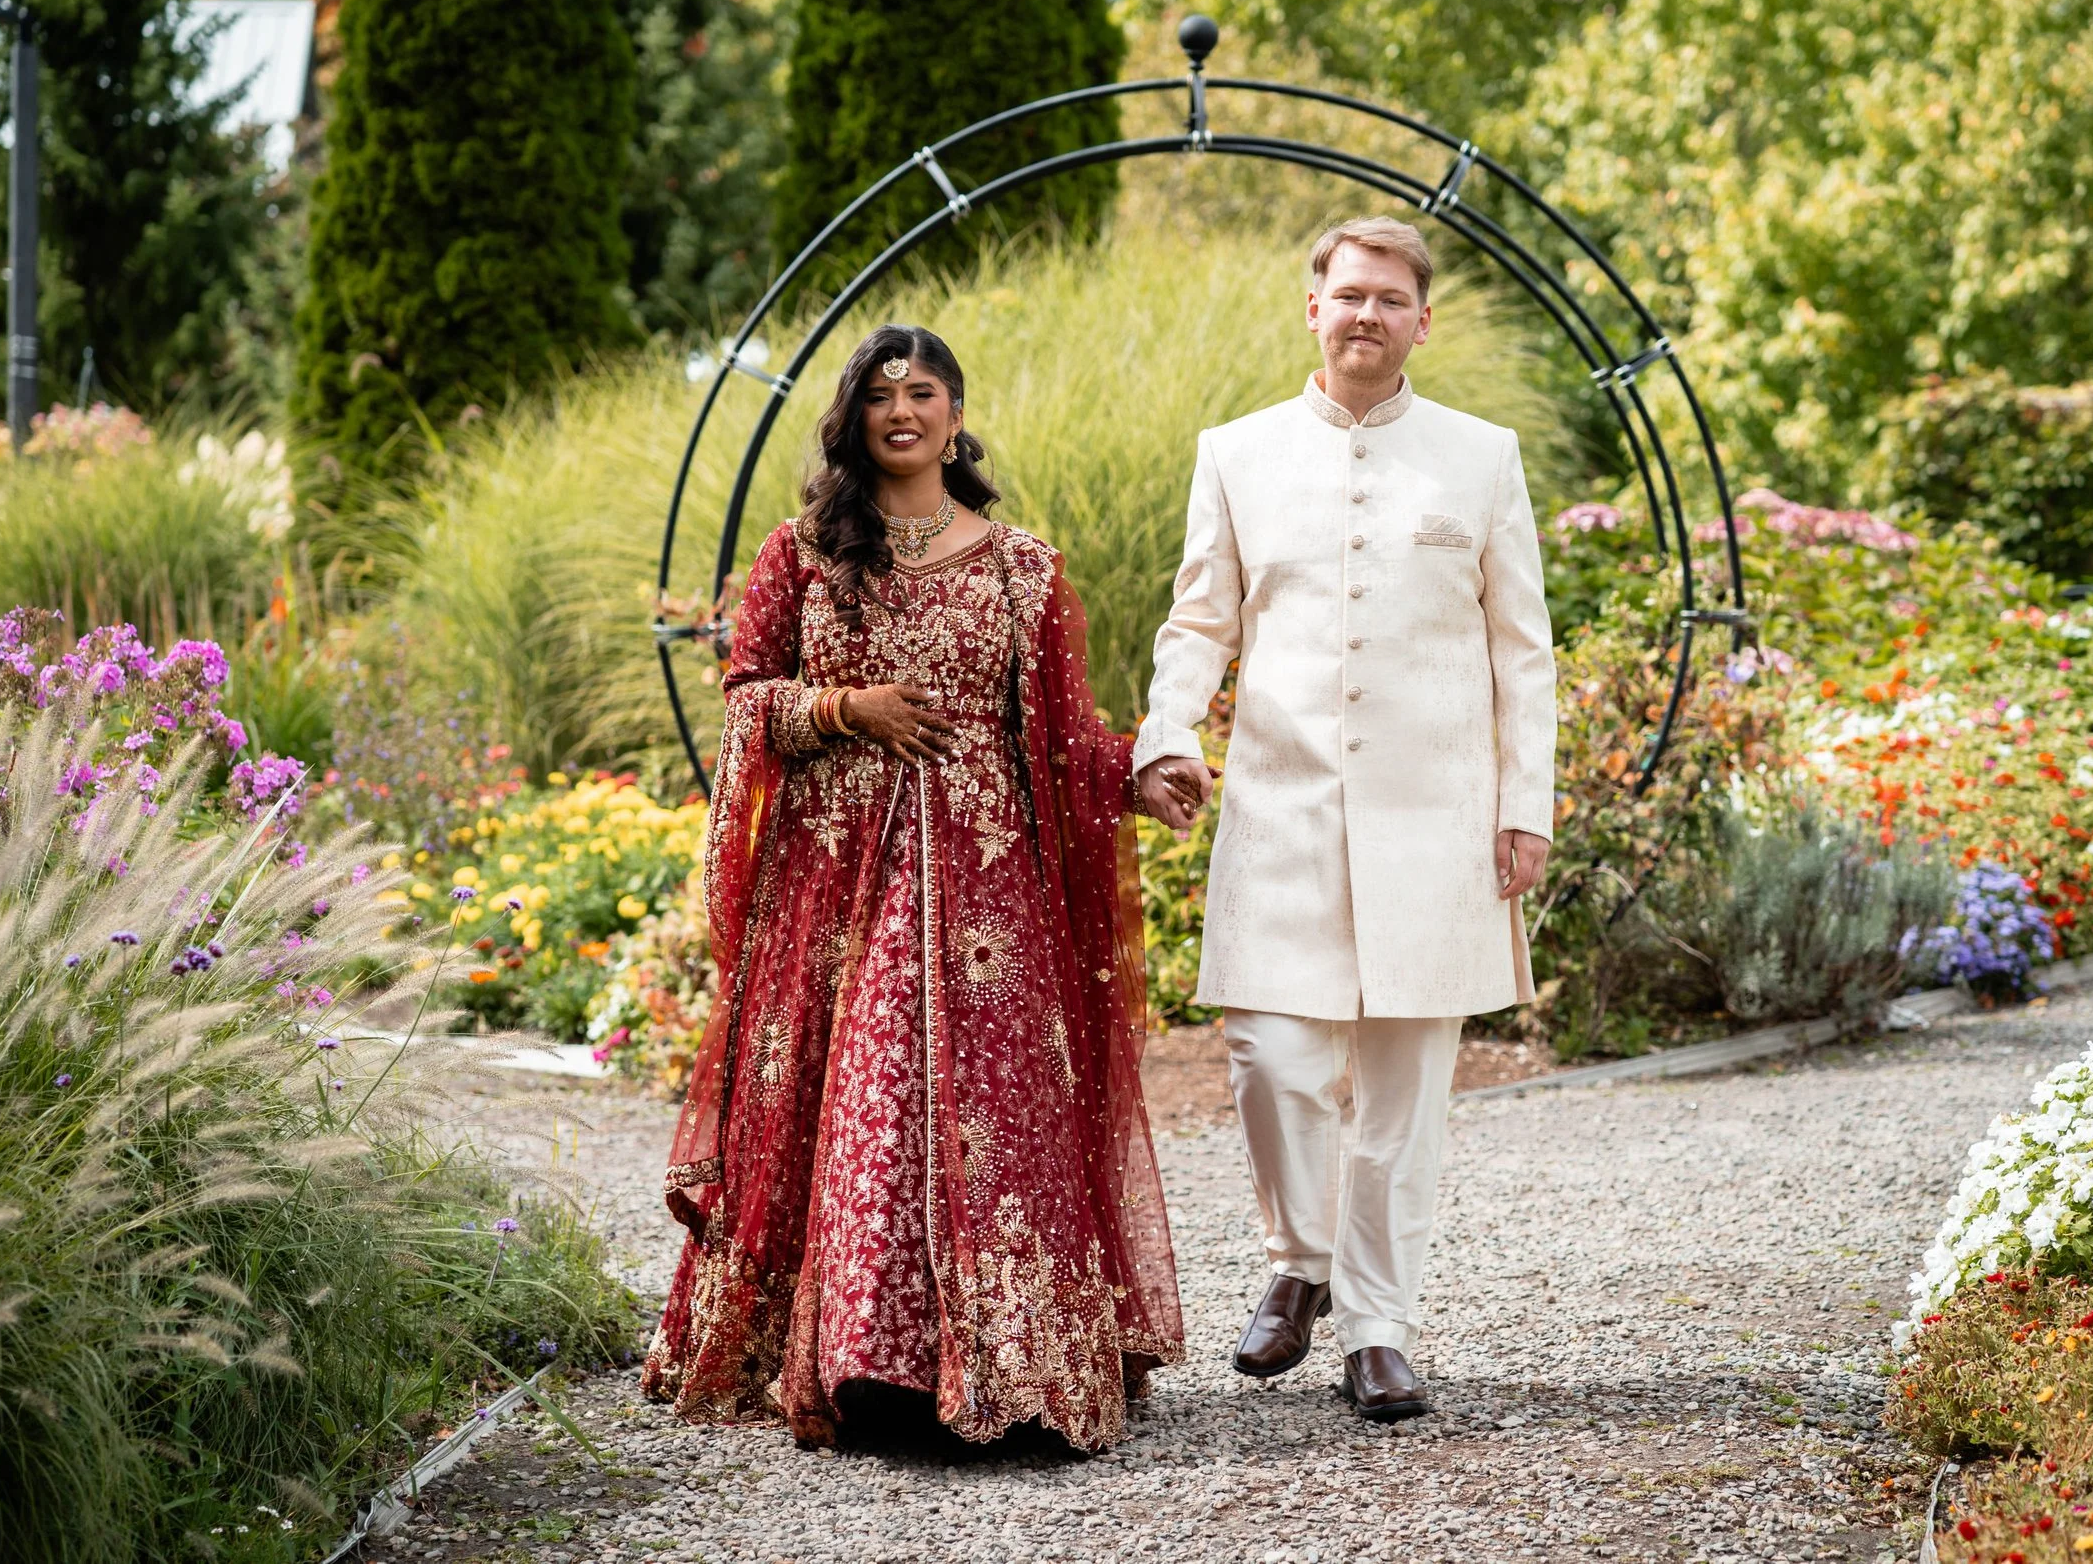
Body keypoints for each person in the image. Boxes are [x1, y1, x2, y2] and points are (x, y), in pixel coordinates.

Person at [644, 324, 1183, 1452]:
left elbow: (1057, 738)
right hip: (844, 885)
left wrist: (1141, 771)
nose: (902, 409)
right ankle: (875, 1373)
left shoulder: (1023, 565)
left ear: (954, 412)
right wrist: (849, 708)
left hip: (991, 894)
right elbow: (748, 698)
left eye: (922, 390)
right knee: (874, 1093)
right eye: (880, 393)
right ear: (855, 417)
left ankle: (1020, 1371)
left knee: (1002, 1114)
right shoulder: (801, 553)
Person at [1134, 217, 1555, 1422]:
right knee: (1274, 1058)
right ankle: (1299, 1259)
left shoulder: (1481, 456)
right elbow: (1198, 621)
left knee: (1403, 1091)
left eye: (1391, 298)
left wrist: (1524, 801)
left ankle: (1378, 1325)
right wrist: (1169, 730)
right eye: (1348, 294)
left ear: (1424, 320)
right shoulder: (1239, 451)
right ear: (1311, 308)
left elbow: (1522, 651)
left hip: (1438, 822)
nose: (1367, 314)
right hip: (1280, 807)